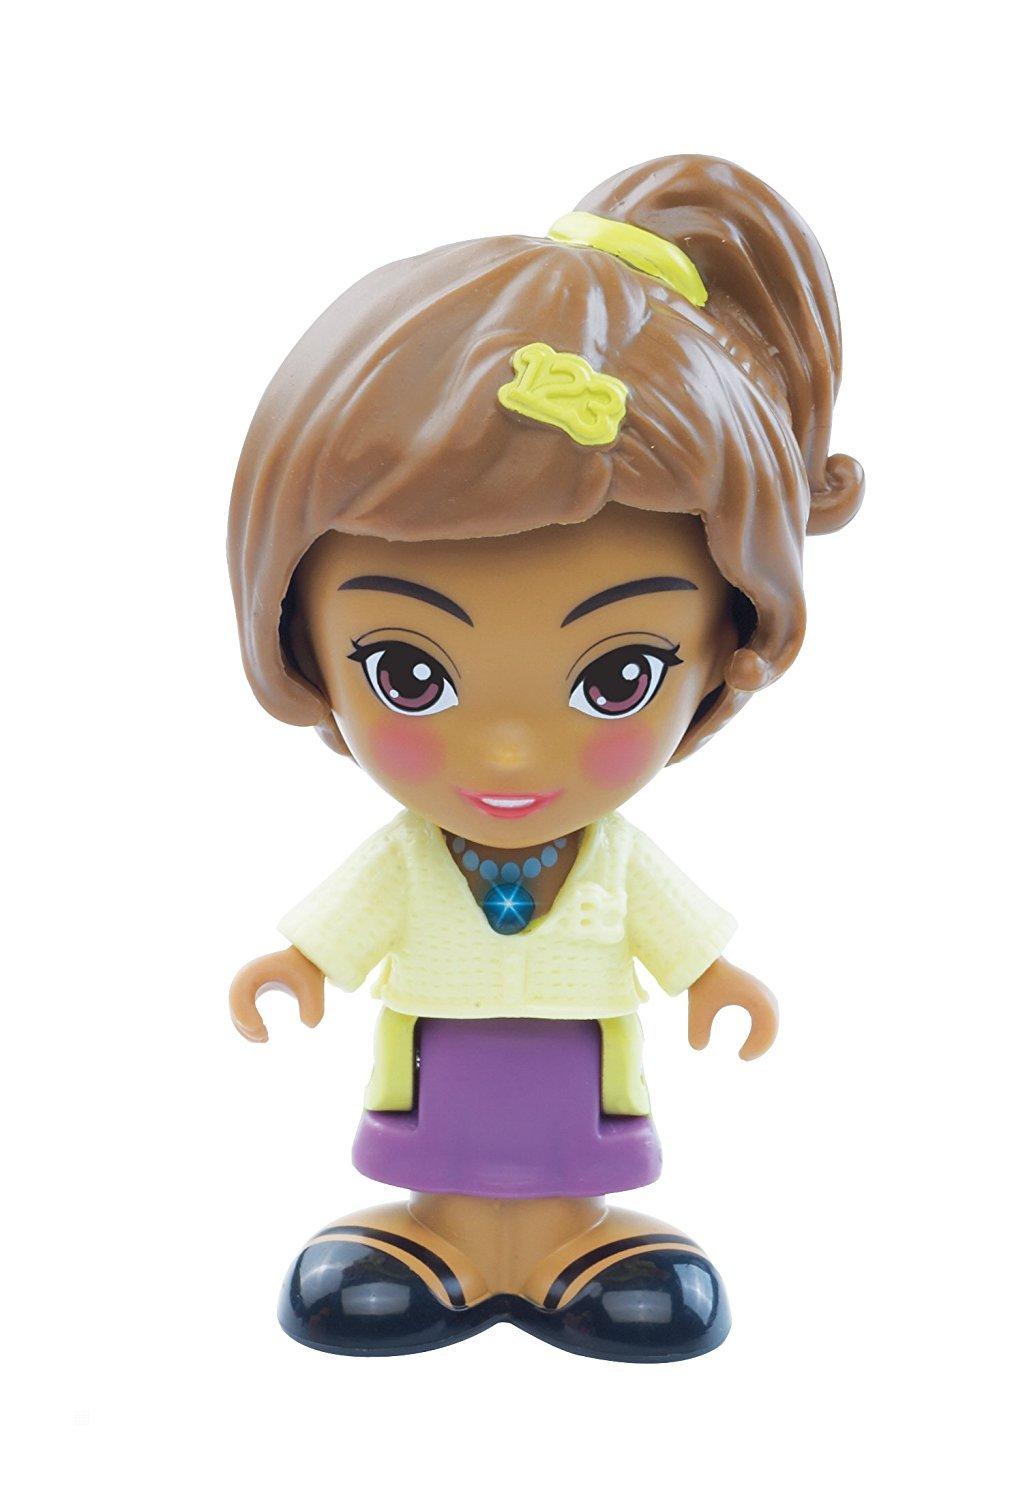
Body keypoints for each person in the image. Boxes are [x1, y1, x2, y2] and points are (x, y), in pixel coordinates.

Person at [227, 154, 863, 1362]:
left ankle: (575, 1241)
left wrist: (713, 978)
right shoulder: (409, 859)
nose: (511, 749)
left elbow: (676, 930)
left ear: (724, 649)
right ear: (299, 638)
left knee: (573, 1155)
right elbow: (347, 920)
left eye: (617, 678)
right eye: (408, 673)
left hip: (579, 1062)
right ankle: (442, 1238)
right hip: (442, 1059)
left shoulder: (613, 859)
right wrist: (298, 965)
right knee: (443, 1149)